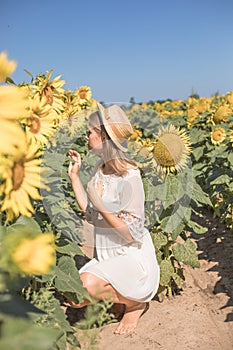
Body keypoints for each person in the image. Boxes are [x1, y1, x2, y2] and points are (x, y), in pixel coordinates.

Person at [68, 102, 160, 335]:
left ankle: (135, 304)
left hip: (129, 255)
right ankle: (121, 297)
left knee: (84, 289)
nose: (86, 136)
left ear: (103, 137)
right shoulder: (101, 169)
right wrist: (75, 177)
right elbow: (90, 213)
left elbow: (131, 233)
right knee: (74, 297)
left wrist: (100, 204)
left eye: (90, 132)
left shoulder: (130, 176)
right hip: (107, 254)